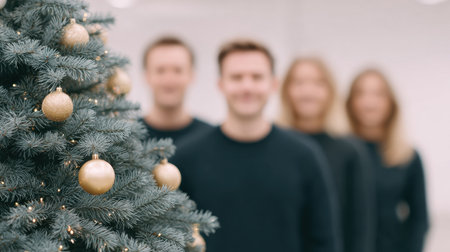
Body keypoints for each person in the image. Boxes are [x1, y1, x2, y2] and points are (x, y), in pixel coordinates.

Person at [172, 39, 340, 252]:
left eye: (257, 77)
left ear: (273, 84)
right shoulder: (187, 158)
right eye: (237, 77)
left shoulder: (305, 156)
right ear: (221, 84)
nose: (247, 86)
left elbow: (323, 241)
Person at [278, 57, 375, 252]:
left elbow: (360, 226)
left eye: (318, 83)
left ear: (330, 91)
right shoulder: (274, 148)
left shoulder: (350, 152)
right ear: (285, 91)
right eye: (298, 83)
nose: (308, 91)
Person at [346, 68, 429, 252]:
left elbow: (419, 218)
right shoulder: (339, 153)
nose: (369, 102)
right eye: (361, 94)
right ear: (350, 103)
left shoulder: (407, 156)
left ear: (391, 102)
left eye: (378, 94)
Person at [139, 36, 211, 145]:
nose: (169, 80)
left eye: (178, 70)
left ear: (191, 75)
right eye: (160, 70)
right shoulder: (125, 139)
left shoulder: (209, 138)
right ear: (146, 76)